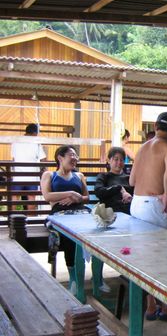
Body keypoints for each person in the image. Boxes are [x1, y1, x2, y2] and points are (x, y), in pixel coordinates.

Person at [129, 112, 167, 321]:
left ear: (156, 126)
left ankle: (150, 307)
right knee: (165, 258)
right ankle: (166, 308)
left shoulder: (143, 147)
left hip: (137, 203)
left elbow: (131, 180)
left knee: (146, 258)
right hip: (153, 205)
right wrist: (166, 195)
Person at [41, 146, 90, 295]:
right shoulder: (49, 175)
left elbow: (86, 197)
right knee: (70, 233)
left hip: (80, 211)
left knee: (93, 229)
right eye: (71, 155)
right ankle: (74, 279)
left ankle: (97, 280)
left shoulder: (79, 175)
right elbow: (47, 196)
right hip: (60, 214)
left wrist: (77, 198)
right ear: (60, 158)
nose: (75, 158)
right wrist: (71, 193)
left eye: (76, 156)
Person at [11, 123, 47, 212]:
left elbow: (13, 158)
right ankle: (31, 220)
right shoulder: (36, 142)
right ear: (35, 133)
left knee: (14, 198)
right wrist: (44, 171)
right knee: (31, 198)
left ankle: (11, 218)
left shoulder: (15, 141)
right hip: (31, 176)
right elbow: (43, 159)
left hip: (17, 176)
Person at [95, 147, 133, 214]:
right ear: (109, 160)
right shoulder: (104, 176)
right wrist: (119, 188)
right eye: (116, 159)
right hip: (110, 215)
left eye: (121, 160)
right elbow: (98, 192)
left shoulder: (129, 178)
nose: (119, 162)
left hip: (128, 214)